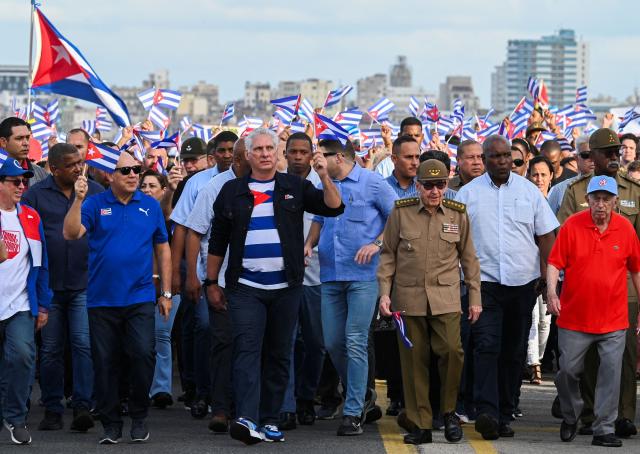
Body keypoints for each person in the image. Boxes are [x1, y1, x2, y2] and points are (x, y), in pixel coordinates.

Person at [205, 128, 343, 444]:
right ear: (249, 155)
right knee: (247, 352)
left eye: (271, 148)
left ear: (276, 154)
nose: (266, 153)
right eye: (260, 149)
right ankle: (247, 419)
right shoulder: (232, 191)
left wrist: (324, 176)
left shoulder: (295, 186)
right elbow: (218, 240)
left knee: (279, 354)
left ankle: (270, 419)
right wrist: (211, 282)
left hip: (286, 287)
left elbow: (333, 207)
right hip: (245, 287)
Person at [63, 151, 172, 445]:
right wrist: (77, 199)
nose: (134, 175)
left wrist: (166, 292)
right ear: (111, 175)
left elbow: (163, 249)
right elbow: (71, 233)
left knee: (142, 355)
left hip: (139, 298)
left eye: (137, 169)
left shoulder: (150, 205)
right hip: (102, 300)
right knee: (105, 362)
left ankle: (138, 416)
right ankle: (111, 424)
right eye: (126, 170)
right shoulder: (95, 204)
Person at [455, 135, 558, 440]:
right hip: (483, 283)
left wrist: (544, 275)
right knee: (486, 345)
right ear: (484, 160)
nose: (503, 162)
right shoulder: (468, 195)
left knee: (513, 351)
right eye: (496, 157)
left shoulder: (529, 192)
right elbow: (455, 238)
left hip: (523, 284)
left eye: (508, 158)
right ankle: (486, 411)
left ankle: (505, 409)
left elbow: (547, 236)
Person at [377, 159, 482, 445]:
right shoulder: (401, 213)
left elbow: (469, 259)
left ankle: (448, 412)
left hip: (446, 298)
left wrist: (475, 298)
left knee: (452, 352)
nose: (435, 191)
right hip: (408, 299)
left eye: (440, 185)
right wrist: (384, 293)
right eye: (428, 185)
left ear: (447, 186)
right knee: (414, 362)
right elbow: (388, 255)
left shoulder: (457, 214)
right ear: (418, 186)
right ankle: (421, 422)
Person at [305, 138, 397, 437]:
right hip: (331, 275)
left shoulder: (372, 182)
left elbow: (396, 217)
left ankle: (353, 410)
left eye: (323, 155)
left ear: (340, 157)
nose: (317, 159)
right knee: (332, 342)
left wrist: (377, 243)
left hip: (364, 277)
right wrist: (308, 244)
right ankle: (363, 394)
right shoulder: (326, 184)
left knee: (355, 339)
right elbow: (319, 218)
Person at [557, 128, 640, 438]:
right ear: (593, 157)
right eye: (610, 152)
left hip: (625, 289)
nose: (616, 156)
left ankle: (623, 416)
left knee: (624, 358)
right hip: (584, 291)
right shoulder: (576, 192)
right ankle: (588, 413)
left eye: (618, 151)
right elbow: (564, 236)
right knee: (585, 360)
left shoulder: (633, 191)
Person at [22, 143, 103, 433]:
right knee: (52, 349)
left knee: (83, 345)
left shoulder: (94, 192)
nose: (78, 168)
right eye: (71, 165)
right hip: (50, 285)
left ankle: (83, 406)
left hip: (85, 282)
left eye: (80, 163)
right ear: (53, 169)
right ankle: (53, 408)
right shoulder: (35, 194)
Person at [184, 138, 250, 432]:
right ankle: (221, 407)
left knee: (251, 347)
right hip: (223, 281)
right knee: (222, 342)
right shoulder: (214, 188)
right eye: (250, 155)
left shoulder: (274, 186)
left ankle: (250, 408)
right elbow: (194, 232)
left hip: (262, 283)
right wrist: (197, 278)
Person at [170, 132, 237, 416]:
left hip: (241, 275)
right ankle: (201, 392)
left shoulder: (251, 180)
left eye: (231, 150)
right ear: (212, 154)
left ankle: (229, 396)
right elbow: (183, 229)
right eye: (220, 150)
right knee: (205, 330)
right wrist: (181, 274)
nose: (226, 155)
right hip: (204, 272)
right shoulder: (198, 183)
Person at [0, 158, 51, 445]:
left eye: (24, 181)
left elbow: (42, 263)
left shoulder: (31, 216)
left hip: (20, 304)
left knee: (21, 357)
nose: (22, 186)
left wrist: (43, 304)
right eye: (14, 181)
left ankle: (15, 418)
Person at [138, 171, 182, 410]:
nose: (146, 189)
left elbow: (164, 210)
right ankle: (140, 387)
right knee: (141, 340)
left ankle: (161, 388)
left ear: (162, 189)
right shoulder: (132, 212)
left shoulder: (168, 214)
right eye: (143, 185)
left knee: (162, 335)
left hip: (167, 285)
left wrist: (172, 191)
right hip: (138, 285)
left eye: (152, 185)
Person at [525, 155, 554, 385]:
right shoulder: (525, 199)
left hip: (552, 270)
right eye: (535, 174)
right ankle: (534, 365)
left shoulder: (555, 201)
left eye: (543, 174)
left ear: (551, 177)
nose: (539, 179)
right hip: (528, 271)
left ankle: (538, 359)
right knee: (532, 319)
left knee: (545, 322)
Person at [547, 135, 594, 215]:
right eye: (586, 155)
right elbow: (548, 223)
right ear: (576, 158)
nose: (592, 159)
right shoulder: (559, 190)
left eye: (595, 154)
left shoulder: (612, 186)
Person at [0, 117, 48, 186]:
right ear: (3, 142)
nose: (26, 143)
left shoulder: (42, 174)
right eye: (19, 138)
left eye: (27, 138)